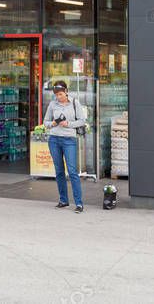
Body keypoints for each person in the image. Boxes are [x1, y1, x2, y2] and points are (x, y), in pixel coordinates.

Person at [43, 81, 86, 213]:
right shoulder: (52, 104)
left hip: (69, 140)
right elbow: (45, 122)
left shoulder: (74, 103)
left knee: (72, 171)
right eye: (56, 95)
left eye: (60, 94)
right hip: (54, 139)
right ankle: (63, 200)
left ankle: (79, 203)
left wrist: (68, 124)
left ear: (66, 91)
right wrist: (54, 123)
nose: (59, 97)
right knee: (59, 171)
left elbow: (82, 121)